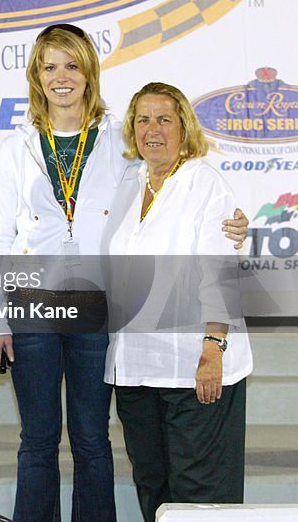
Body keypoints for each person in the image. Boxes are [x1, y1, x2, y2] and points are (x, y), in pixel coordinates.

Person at [0, 24, 247, 522]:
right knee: (37, 440)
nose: (61, 77)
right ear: (35, 77)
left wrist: (234, 222)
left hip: (98, 309)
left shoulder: (120, 144)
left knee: (90, 437)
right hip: (33, 305)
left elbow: (170, 187)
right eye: (49, 66)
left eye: (72, 65)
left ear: (89, 73)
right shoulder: (15, 148)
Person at [102, 82, 252, 522]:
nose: (153, 129)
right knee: (153, 485)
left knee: (201, 491)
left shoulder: (205, 183)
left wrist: (213, 349)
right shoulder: (128, 183)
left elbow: (219, 270)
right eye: (143, 119)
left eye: (164, 119)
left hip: (195, 364)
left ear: (184, 127)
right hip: (135, 370)